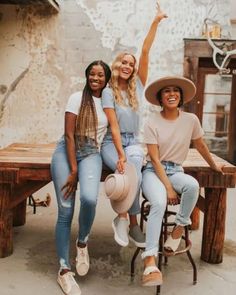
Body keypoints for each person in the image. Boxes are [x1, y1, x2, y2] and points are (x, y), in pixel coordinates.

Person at [141, 76, 224, 286]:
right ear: (160, 98)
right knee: (159, 202)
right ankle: (149, 261)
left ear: (181, 96)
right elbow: (155, 159)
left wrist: (214, 165)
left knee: (193, 185)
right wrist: (168, 188)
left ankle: (177, 229)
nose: (171, 94)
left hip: (176, 169)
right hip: (153, 171)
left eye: (175, 91)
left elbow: (201, 145)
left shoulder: (190, 120)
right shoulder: (152, 121)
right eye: (166, 91)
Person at [101, 3, 168, 248]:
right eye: (124, 63)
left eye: (131, 63)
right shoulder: (109, 93)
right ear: (117, 66)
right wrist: (120, 154)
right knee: (128, 168)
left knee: (135, 167)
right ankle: (129, 221)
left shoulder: (137, 87)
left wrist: (156, 21)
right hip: (112, 142)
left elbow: (146, 51)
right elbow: (114, 128)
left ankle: (125, 219)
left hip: (132, 141)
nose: (128, 66)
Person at [51, 60, 111, 295]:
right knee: (65, 209)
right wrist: (73, 170)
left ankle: (82, 242)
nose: (95, 78)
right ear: (87, 76)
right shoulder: (77, 97)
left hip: (92, 152)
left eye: (100, 75)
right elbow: (68, 134)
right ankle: (64, 271)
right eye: (92, 74)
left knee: (89, 199)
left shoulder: (108, 100)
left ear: (106, 78)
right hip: (67, 152)